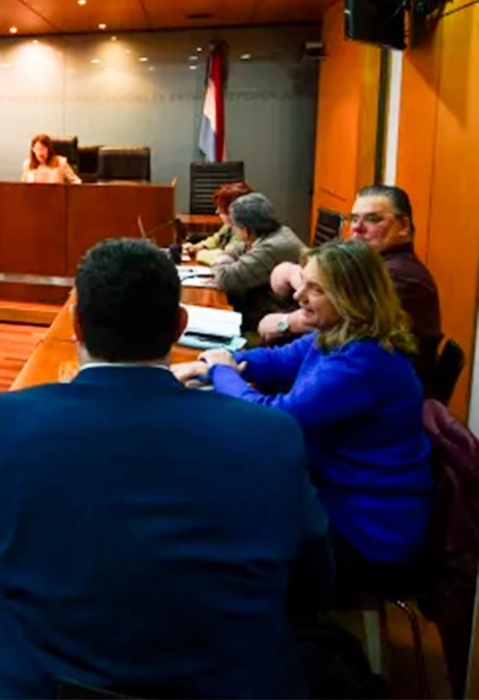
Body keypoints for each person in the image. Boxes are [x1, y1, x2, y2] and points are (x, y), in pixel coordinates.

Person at [0, 238, 331, 699]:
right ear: (179, 325)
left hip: (38, 687)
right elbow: (313, 586)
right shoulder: (271, 437)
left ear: (77, 324)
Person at [176, 239, 433, 595]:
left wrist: (223, 373)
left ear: (351, 298)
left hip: (365, 537)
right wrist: (208, 363)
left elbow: (276, 420)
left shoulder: (364, 360)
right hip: (335, 502)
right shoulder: (336, 334)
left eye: (315, 290)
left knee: (217, 543)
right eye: (303, 285)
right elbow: (277, 360)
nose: (298, 299)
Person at [260, 185, 442, 384]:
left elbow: (336, 321)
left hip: (364, 387)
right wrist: (302, 278)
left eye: (373, 219)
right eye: (354, 218)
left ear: (404, 226)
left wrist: (284, 323)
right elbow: (280, 277)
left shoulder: (401, 277)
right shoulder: (368, 265)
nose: (356, 228)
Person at [212, 192, 305, 332]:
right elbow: (237, 250)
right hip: (263, 308)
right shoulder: (273, 233)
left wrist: (219, 262)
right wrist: (228, 258)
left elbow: (226, 279)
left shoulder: (272, 248)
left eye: (234, 227)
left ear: (245, 231)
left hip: (273, 319)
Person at [182, 180, 254, 265]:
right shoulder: (229, 226)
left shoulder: (247, 231)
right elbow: (217, 239)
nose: (217, 211)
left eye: (221, 208)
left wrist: (200, 253)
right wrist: (198, 247)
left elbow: (228, 257)